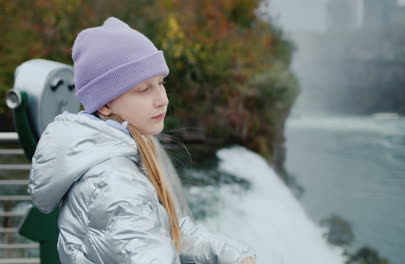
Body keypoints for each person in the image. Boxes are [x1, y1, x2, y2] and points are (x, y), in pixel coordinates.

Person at [27, 17, 256, 264]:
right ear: (104, 104)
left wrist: (233, 255)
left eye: (161, 83)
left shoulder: (116, 156)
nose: (162, 99)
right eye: (144, 89)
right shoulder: (114, 181)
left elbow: (170, 230)